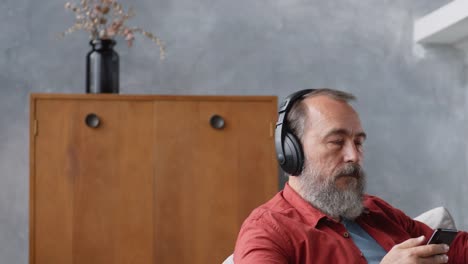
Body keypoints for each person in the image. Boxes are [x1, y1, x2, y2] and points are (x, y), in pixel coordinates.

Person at [233, 88, 468, 263]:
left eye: (358, 142)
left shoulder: (376, 211)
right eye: (337, 142)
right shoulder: (267, 232)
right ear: (292, 152)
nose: (353, 156)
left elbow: (457, 249)